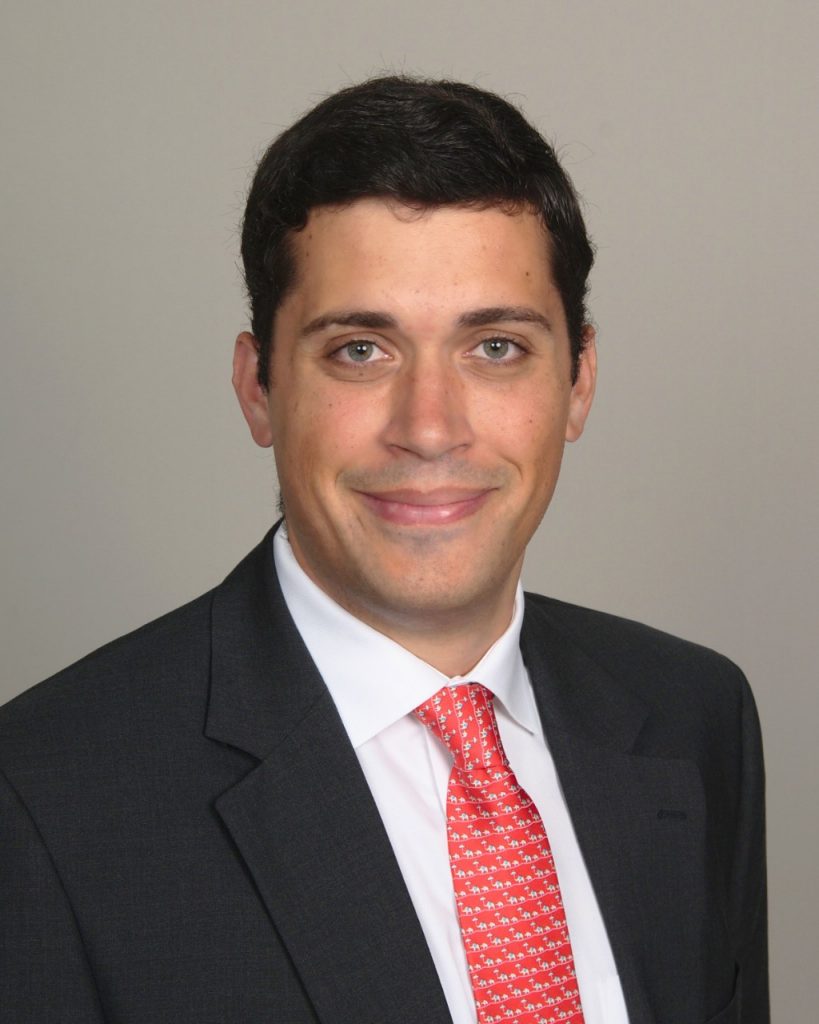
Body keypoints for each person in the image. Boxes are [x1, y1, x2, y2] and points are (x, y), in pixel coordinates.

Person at [0, 76, 767, 1024]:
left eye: (494, 347)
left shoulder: (693, 717)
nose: (430, 428)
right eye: (361, 349)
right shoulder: (44, 798)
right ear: (258, 388)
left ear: (578, 382)